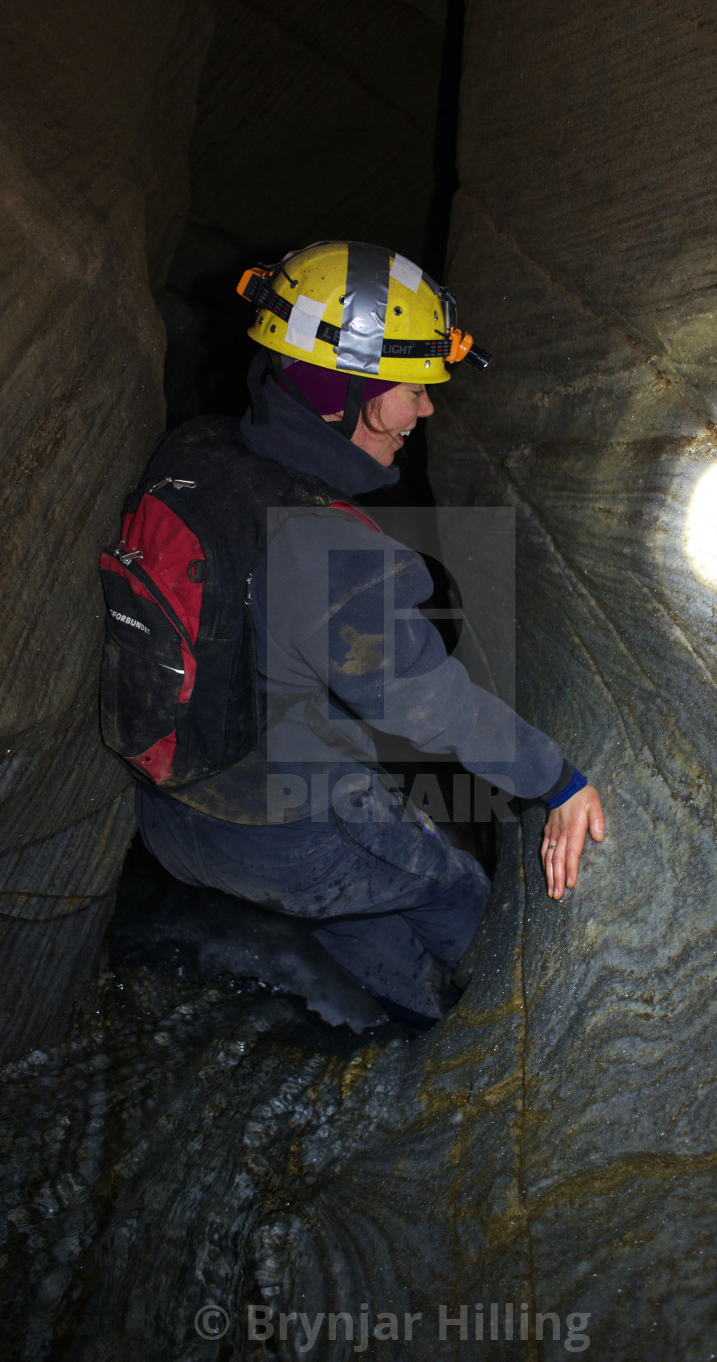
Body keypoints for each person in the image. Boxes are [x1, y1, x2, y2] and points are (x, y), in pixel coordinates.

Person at [131, 241, 605, 1026]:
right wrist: (557, 779)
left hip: (170, 815)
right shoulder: (330, 551)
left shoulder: (195, 450)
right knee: (444, 886)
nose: (424, 410)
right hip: (280, 835)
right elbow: (429, 706)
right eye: (411, 388)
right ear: (337, 393)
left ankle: (402, 1019)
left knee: (363, 894)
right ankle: (491, 1049)